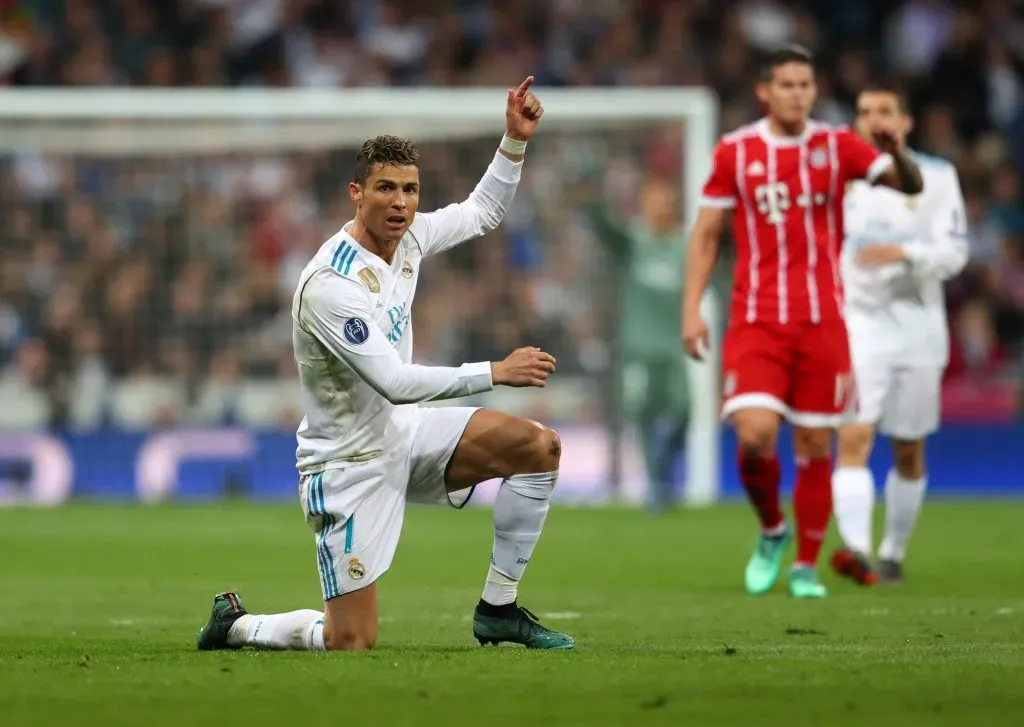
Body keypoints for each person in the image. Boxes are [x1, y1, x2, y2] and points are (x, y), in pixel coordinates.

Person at [195, 77, 575, 651]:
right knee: (352, 640)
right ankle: (238, 626)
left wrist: (514, 142)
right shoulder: (329, 285)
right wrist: (493, 372)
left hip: (407, 433)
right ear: (356, 192)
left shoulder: (412, 237)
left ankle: (498, 609)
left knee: (539, 448)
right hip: (349, 463)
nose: (400, 202)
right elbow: (395, 383)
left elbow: (482, 212)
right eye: (385, 189)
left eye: (410, 189)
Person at [681, 46, 924, 599]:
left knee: (816, 443)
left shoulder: (838, 145)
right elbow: (707, 235)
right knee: (754, 435)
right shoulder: (735, 152)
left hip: (822, 324)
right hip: (757, 320)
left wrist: (899, 152)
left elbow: (908, 185)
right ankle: (773, 530)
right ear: (765, 91)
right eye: (787, 84)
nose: (797, 93)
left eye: (806, 84)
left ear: (814, 91)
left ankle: (805, 566)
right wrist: (691, 307)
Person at [830, 85, 968, 586]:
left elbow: (955, 254)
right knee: (854, 434)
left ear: (905, 122)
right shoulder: (842, 178)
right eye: (863, 111)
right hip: (857, 325)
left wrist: (904, 253)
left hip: (918, 327)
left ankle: (892, 552)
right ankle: (858, 553)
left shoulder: (935, 177)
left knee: (909, 447)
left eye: (884, 111)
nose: (873, 119)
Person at [586, 179, 692, 510]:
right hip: (639, 348)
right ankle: (656, 487)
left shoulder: (683, 249)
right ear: (645, 207)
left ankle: (662, 468)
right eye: (655, 202)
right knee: (643, 416)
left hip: (674, 348)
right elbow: (606, 231)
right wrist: (592, 200)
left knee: (684, 411)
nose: (661, 208)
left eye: (666, 202)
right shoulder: (634, 242)